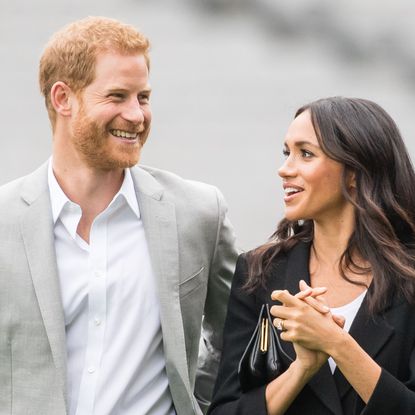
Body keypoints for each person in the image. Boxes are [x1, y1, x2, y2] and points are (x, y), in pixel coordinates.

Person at [0, 17, 238, 415]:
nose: (137, 115)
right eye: (117, 96)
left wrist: (199, 404)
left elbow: (239, 335)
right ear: (63, 99)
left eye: (143, 97)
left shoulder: (198, 213)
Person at [208, 97, 415, 415]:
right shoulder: (259, 273)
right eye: (286, 153)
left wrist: (337, 344)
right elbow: (225, 410)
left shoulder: (409, 279)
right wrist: (301, 369)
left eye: (305, 154)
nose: (284, 169)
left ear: (354, 172)